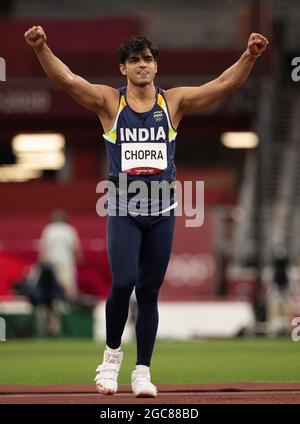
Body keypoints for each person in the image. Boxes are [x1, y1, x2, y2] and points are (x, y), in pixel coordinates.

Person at [25, 27, 269, 397]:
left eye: (148, 60)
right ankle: (110, 359)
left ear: (156, 66)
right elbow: (68, 79)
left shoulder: (173, 103)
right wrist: (42, 48)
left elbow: (222, 85)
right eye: (135, 60)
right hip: (123, 208)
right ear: (123, 68)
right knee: (122, 282)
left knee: (150, 291)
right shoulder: (111, 103)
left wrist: (249, 56)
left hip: (162, 211)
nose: (143, 65)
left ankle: (142, 372)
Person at [39, 209, 83, 302]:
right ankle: (71, 308)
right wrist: (79, 260)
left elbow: (44, 250)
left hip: (52, 264)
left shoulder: (48, 229)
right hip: (67, 263)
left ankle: (56, 308)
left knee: (53, 287)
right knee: (69, 287)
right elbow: (75, 249)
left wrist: (42, 264)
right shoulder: (69, 230)